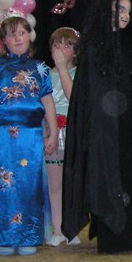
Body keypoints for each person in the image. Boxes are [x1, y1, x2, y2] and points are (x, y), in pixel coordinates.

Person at [62, 0, 132, 253]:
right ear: (107, 12)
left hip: (128, 127)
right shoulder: (95, 47)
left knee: (127, 176)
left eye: (128, 12)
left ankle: (125, 231)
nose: (125, 16)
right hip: (103, 130)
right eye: (119, 10)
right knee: (105, 177)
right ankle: (109, 234)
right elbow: (91, 93)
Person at [0, 15, 58, 256]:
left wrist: (52, 132)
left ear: (29, 36)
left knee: (29, 186)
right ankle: (5, 238)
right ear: (4, 40)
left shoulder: (39, 68)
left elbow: (47, 102)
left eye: (22, 33)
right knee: (2, 186)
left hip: (30, 137)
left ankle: (29, 237)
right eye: (12, 35)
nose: (18, 38)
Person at [45, 27, 80, 246]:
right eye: (57, 44)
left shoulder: (80, 74)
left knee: (73, 184)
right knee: (55, 183)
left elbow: (73, 96)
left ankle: (72, 228)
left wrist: (63, 69)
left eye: (67, 45)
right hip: (51, 132)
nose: (61, 48)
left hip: (73, 131)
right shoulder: (43, 75)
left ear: (75, 52)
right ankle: (57, 229)